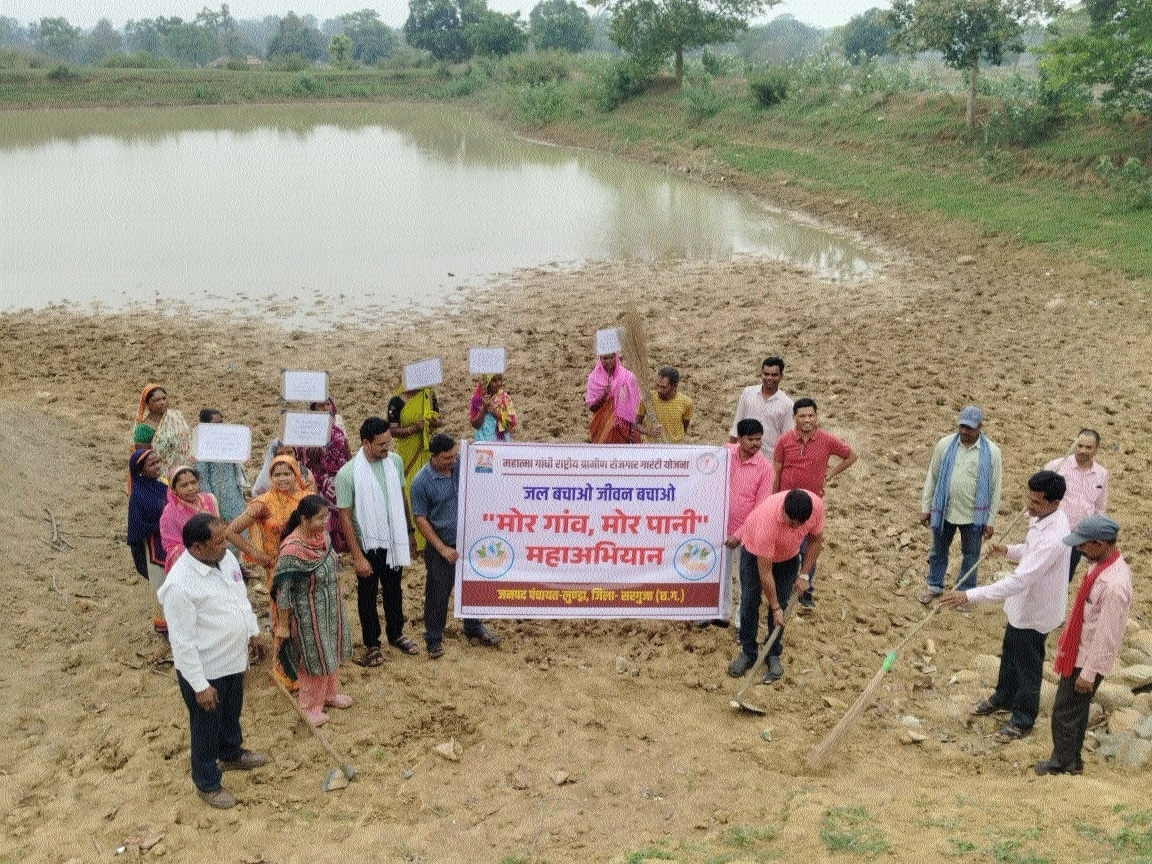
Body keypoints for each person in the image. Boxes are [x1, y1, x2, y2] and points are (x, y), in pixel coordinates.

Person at [940, 471, 1070, 743]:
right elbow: (1030, 550)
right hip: (1022, 608)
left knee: (1028, 666)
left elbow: (1020, 580)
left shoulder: (1054, 536)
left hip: (1035, 611)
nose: (1029, 506)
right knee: (1010, 651)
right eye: (1029, 499)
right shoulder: (1044, 520)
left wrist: (969, 596)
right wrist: (1007, 550)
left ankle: (1023, 718)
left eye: (1035, 502)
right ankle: (1003, 696)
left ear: (1054, 502)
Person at [159, 514, 266, 810]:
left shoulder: (225, 560)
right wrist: (199, 685)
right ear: (197, 547)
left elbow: (240, 597)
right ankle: (206, 782)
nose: (226, 545)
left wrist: (253, 631)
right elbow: (181, 643)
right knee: (205, 726)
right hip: (205, 670)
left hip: (233, 659)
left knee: (231, 712)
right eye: (219, 541)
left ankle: (231, 754)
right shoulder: (179, 586)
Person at [1036, 515, 1132, 776]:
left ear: (1100, 544)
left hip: (1087, 660)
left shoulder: (1114, 585)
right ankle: (1070, 760)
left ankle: (1064, 764)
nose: (1079, 550)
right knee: (1073, 712)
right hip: (1080, 653)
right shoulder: (1100, 566)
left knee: (1065, 713)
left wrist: (1088, 673)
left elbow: (1107, 635)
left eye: (1083, 545)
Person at [411, 434, 500, 656]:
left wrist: (471, 447)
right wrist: (442, 549)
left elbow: (486, 458)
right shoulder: (421, 482)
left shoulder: (461, 463)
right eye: (447, 458)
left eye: (454, 455)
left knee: (473, 586)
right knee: (438, 592)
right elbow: (420, 519)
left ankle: (473, 626)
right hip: (442, 545)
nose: (453, 460)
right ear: (433, 456)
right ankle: (433, 638)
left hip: (470, 541)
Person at [337, 416, 416, 666]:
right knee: (367, 596)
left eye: (388, 443)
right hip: (367, 545)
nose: (387, 448)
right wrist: (357, 556)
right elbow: (345, 518)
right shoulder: (347, 473)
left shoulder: (395, 462)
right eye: (382, 444)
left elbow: (402, 498)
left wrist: (410, 532)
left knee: (394, 590)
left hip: (393, 540)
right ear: (366, 442)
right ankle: (372, 644)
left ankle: (396, 634)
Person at [226, 454, 309, 689]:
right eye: (277, 474)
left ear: (297, 474)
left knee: (305, 616)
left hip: (306, 567)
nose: (283, 478)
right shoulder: (264, 503)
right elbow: (231, 531)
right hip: (279, 570)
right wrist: (259, 555)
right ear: (270, 477)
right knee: (282, 617)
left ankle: (307, 667)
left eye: (288, 473)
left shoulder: (307, 499)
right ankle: (285, 671)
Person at [272, 495, 352, 727]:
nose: (326, 522)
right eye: (320, 518)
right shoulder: (292, 549)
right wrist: (284, 625)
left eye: (327, 516)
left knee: (331, 650)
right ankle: (309, 707)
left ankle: (329, 695)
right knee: (314, 657)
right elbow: (283, 592)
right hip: (308, 613)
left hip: (330, 606)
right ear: (304, 519)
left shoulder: (322, 537)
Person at [728, 489, 823, 683]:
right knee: (749, 602)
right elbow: (765, 573)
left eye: (798, 525)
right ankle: (748, 651)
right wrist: (775, 606)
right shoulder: (767, 521)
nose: (794, 527)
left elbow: (815, 541)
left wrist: (804, 575)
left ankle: (773, 653)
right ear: (784, 511)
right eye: (790, 522)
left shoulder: (816, 508)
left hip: (788, 557)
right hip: (755, 553)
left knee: (783, 600)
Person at [773, 397, 857, 608]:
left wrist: (830, 474)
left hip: (812, 506)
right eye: (802, 416)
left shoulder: (827, 440)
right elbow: (777, 471)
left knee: (809, 548)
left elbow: (851, 456)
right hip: (786, 503)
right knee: (784, 547)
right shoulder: (784, 441)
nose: (807, 419)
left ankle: (805, 590)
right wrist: (773, 499)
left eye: (811, 415)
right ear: (794, 418)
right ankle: (782, 587)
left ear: (816, 416)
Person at [919, 406, 1003, 604]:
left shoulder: (992, 452)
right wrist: (926, 507)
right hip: (944, 511)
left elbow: (995, 488)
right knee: (938, 550)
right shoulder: (945, 445)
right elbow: (932, 476)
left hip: (973, 516)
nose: (964, 431)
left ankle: (965, 592)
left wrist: (990, 520)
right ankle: (934, 585)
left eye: (970, 428)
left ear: (980, 427)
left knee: (971, 555)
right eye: (962, 426)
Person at [714, 419, 775, 628]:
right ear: (739, 439)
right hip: (721, 526)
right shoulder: (725, 454)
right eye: (750, 439)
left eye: (759, 439)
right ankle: (721, 614)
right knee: (720, 573)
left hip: (747, 532)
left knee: (745, 579)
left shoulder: (765, 469)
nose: (755, 443)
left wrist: (739, 534)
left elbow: (759, 509)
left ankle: (742, 622)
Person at [156, 466, 219, 640]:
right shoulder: (170, 514)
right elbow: (171, 546)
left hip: (214, 562)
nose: (191, 488)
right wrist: (199, 549)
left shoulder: (209, 500)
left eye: (193, 482)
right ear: (173, 489)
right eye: (184, 485)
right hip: (189, 567)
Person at [1045, 429, 1108, 579]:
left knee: (1066, 577)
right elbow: (1038, 496)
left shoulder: (1101, 474)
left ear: (1096, 449)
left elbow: (1099, 508)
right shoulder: (1057, 466)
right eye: (1079, 446)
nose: (1082, 451)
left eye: (1088, 447)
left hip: (1078, 536)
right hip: (1053, 531)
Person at [388, 381, 442, 551]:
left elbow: (439, 420)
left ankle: (428, 538)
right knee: (408, 492)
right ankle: (412, 539)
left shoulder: (428, 395)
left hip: (425, 450)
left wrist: (432, 423)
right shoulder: (396, 402)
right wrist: (413, 428)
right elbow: (392, 430)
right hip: (407, 453)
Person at [294, 398, 352, 549]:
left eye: (327, 404)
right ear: (313, 409)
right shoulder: (305, 432)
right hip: (315, 479)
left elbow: (346, 453)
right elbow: (300, 458)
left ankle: (338, 543)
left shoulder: (337, 429)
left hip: (336, 477)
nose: (325, 408)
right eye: (320, 405)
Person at [728, 357, 793, 459]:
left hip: (769, 460)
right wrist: (729, 453)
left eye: (774, 375)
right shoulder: (747, 393)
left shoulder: (787, 404)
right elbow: (737, 425)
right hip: (744, 457)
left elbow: (787, 439)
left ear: (781, 376)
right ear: (761, 374)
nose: (769, 378)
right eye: (766, 374)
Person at [192, 408, 249, 524]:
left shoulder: (227, 441)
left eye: (221, 422)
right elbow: (202, 477)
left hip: (234, 492)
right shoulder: (202, 446)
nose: (219, 426)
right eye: (215, 423)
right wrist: (210, 501)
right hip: (216, 495)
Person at [126, 448, 167, 598]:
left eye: (157, 462)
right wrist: (162, 525)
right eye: (152, 464)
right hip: (154, 550)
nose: (157, 466)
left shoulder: (163, 487)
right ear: (141, 470)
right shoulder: (138, 497)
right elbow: (137, 528)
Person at [131, 384, 191, 477]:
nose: (162, 402)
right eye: (157, 400)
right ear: (147, 404)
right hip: (158, 476)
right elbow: (143, 458)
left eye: (164, 398)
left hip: (181, 473)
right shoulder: (143, 429)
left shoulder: (175, 419)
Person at [585, 351, 643, 444]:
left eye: (611, 358)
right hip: (602, 426)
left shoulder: (627, 377)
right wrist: (604, 396)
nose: (609, 361)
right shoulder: (594, 378)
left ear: (615, 357)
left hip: (624, 427)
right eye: (605, 358)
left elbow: (636, 404)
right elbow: (592, 408)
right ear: (600, 359)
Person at [638, 367, 692, 443]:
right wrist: (649, 431)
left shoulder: (687, 403)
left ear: (675, 386)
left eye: (663, 387)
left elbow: (684, 427)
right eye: (658, 386)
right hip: (653, 449)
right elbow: (636, 423)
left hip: (675, 450)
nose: (659, 390)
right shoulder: (648, 398)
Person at [252, 439, 317, 497]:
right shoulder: (267, 477)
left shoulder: (305, 474)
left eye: (289, 452)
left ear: (295, 454)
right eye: (280, 453)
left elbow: (312, 501)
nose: (286, 456)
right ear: (274, 457)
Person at [469, 374, 518, 442]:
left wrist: (495, 413)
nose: (499, 383)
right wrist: (483, 409)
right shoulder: (477, 399)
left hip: (500, 444)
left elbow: (510, 426)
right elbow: (475, 425)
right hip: (482, 444)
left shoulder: (505, 399)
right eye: (494, 380)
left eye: (500, 379)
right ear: (487, 382)